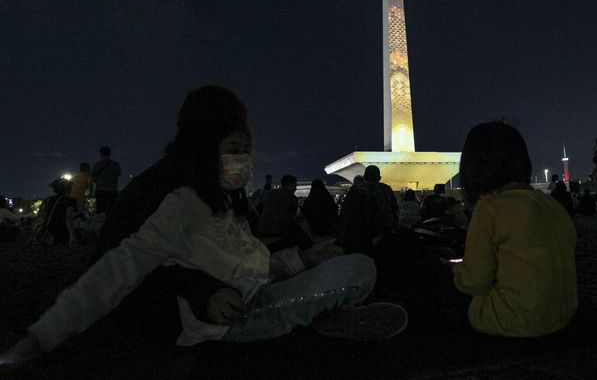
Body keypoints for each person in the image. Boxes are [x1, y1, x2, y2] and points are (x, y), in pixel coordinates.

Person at [0, 86, 407, 370]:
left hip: (249, 291)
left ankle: (321, 313)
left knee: (354, 263)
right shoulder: (174, 196)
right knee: (358, 271)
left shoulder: (215, 192)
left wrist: (300, 258)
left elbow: (244, 260)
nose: (243, 159)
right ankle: (321, 315)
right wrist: (40, 337)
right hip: (217, 320)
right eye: (234, 148)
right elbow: (112, 272)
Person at [452, 121, 577, 337]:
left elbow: (474, 282)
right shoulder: (552, 205)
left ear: (474, 167)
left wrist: (454, 271)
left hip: (513, 321)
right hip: (562, 315)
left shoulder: (490, 209)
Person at [31, 178, 78, 247]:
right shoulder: (71, 201)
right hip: (61, 232)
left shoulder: (47, 199)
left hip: (47, 231)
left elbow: (41, 216)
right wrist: (72, 236)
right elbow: (68, 219)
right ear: (69, 189)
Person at [257, 174, 305, 239]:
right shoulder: (292, 198)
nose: (296, 189)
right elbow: (292, 219)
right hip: (280, 233)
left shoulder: (269, 194)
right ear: (290, 185)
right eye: (295, 185)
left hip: (262, 231)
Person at [91, 146, 121, 219]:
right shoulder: (116, 165)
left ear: (101, 154)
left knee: (100, 210)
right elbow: (117, 175)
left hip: (100, 190)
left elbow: (94, 178)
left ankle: (100, 227)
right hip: (112, 191)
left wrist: (99, 182)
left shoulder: (96, 165)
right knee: (111, 210)